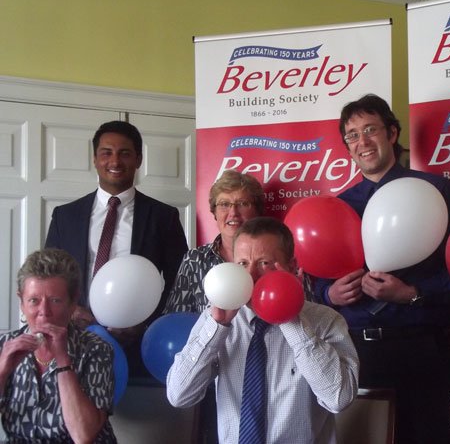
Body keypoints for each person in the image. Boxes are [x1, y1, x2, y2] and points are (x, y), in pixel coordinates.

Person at [314, 94, 450, 443]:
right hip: (356, 352)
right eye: (352, 135)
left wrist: (412, 295)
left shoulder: (436, 192)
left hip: (422, 351)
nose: (362, 142)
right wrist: (330, 293)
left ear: (392, 132)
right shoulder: (339, 206)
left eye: (370, 129)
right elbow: (316, 284)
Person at [166, 217, 359, 443]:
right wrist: (217, 327)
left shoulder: (326, 320)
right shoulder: (217, 319)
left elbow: (339, 398)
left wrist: (289, 317)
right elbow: (179, 395)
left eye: (265, 263)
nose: (251, 276)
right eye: (242, 264)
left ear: (292, 266)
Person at [44, 120, 188, 377]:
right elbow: (48, 276)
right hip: (75, 340)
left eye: (125, 153)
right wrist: (71, 310)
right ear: (95, 159)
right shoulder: (65, 216)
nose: (115, 161)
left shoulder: (163, 217)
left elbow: (180, 281)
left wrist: (145, 322)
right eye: (106, 152)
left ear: (138, 159)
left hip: (138, 346)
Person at [0, 248, 117, 443]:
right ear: (21, 302)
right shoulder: (5, 345)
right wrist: (2, 370)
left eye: (55, 301)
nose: (44, 312)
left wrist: (63, 360)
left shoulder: (96, 349)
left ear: (73, 303)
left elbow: (83, 435)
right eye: (33, 301)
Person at [164, 169, 265, 313]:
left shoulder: (276, 257)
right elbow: (176, 318)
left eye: (242, 203)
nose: (233, 213)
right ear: (214, 212)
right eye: (224, 204)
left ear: (258, 211)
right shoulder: (195, 260)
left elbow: (304, 316)